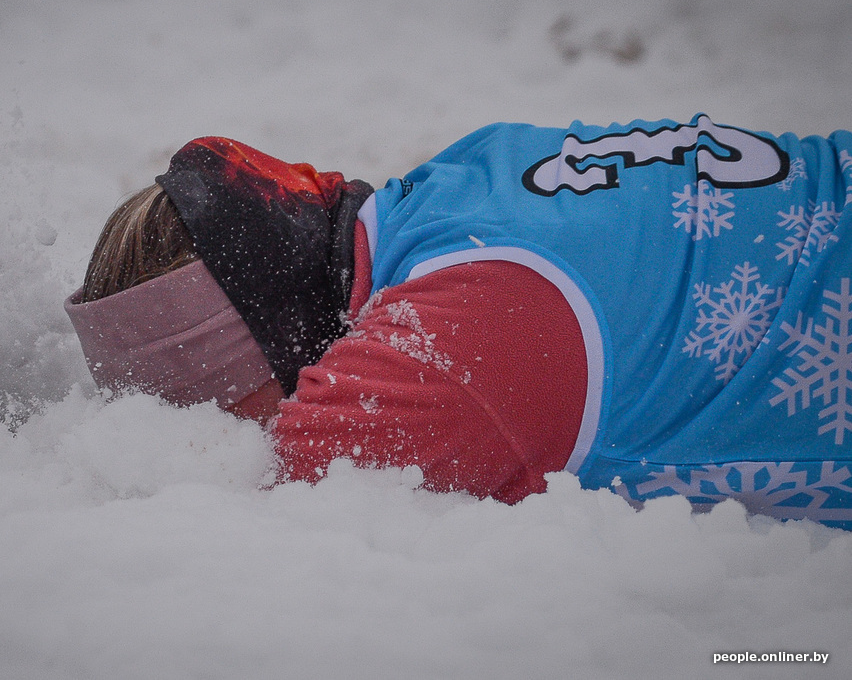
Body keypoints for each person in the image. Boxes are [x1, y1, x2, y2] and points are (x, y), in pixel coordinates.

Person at [65, 115, 852, 529]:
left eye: (207, 414)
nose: (209, 436)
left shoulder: (437, 351)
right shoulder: (458, 183)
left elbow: (231, 509)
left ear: (269, 343)